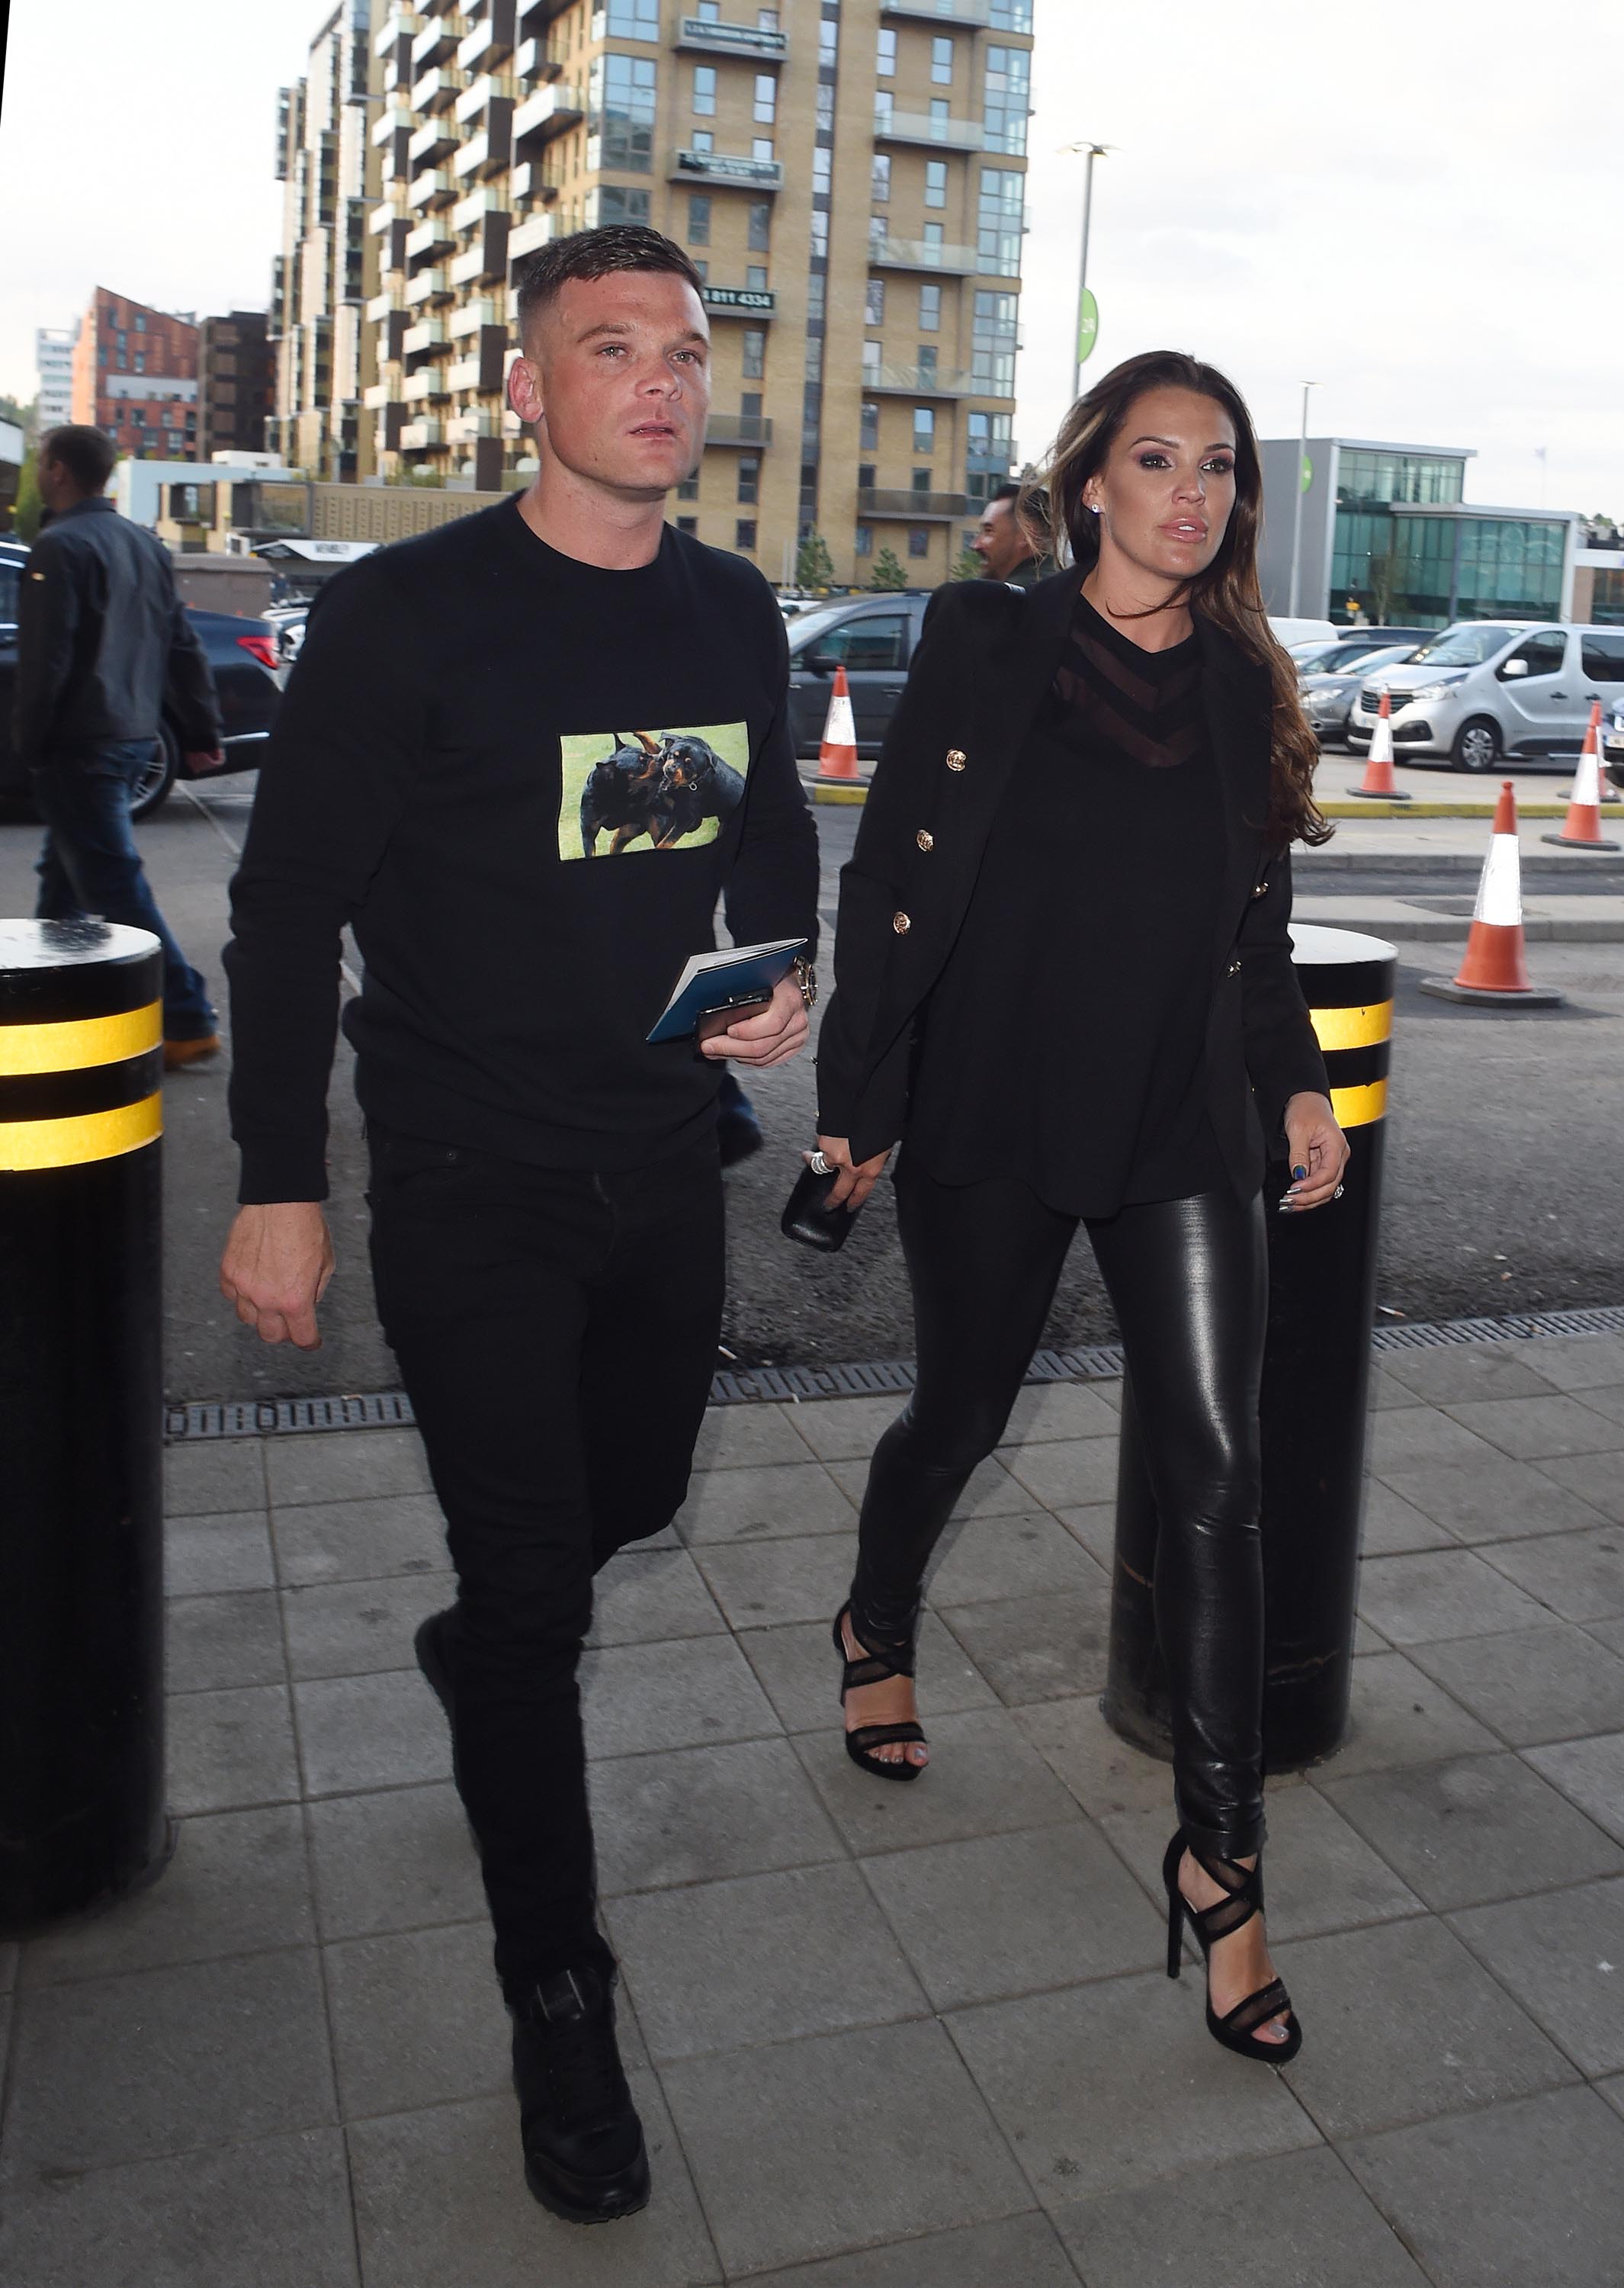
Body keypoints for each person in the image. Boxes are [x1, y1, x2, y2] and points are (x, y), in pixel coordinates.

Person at [217, 226, 818, 2222]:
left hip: (663, 1162)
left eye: (685, 350)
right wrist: (282, 1183)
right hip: (469, 1180)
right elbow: (284, 912)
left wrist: (775, 985)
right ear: (526, 392)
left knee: (630, 1502)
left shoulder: (734, 613)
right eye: (611, 347)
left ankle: (479, 1650)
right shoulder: (413, 619)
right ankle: (559, 1993)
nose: (659, 381)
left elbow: (762, 845)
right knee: (548, 1588)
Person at [814, 350, 1350, 2066]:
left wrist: (1297, 1079)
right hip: (991, 1099)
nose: (1189, 492)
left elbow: (1252, 940)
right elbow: (892, 875)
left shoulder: (1245, 681)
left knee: (1221, 1472)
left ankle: (1224, 1861)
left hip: (1178, 1120)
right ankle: (875, 1619)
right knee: (960, 1412)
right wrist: (860, 1109)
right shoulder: (984, 639)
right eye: (1155, 459)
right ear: (1091, 482)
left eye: (1217, 465)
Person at [13, 423, 224, 1063]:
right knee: (65, 881)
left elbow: (48, 659)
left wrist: (30, 742)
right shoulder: (143, 544)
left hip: (82, 741)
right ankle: (52, 1008)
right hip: (132, 734)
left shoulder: (59, 546)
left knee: (112, 884)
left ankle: (187, 1015)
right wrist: (200, 730)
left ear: (56, 470)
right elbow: (181, 645)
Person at [969, 478, 1054, 586]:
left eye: (989, 531)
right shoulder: (1063, 587)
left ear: (1028, 534)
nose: (976, 545)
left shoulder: (1011, 598)